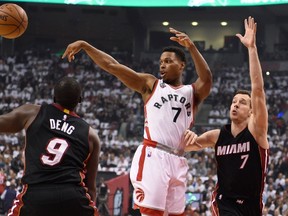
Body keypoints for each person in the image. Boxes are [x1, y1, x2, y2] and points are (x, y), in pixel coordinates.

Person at [62, 27, 212, 216]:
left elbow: (207, 78)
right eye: (161, 62)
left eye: (168, 61)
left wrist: (191, 47)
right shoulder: (150, 85)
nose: (162, 66)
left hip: (179, 159)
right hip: (154, 155)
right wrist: (86, 46)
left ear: (182, 65)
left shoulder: (192, 92)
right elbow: (113, 67)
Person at [185, 16, 269, 216]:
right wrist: (185, 138)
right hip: (224, 201)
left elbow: (257, 88)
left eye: (242, 102)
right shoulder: (217, 136)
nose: (236, 104)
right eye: (234, 101)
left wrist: (251, 49)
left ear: (251, 111)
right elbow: (189, 145)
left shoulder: (256, 132)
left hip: (251, 204)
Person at [0, 77, 100, 216]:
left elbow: (2, 122)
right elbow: (91, 188)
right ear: (79, 101)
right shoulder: (91, 135)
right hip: (73, 197)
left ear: (54, 97)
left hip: (37, 195)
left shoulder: (32, 112)